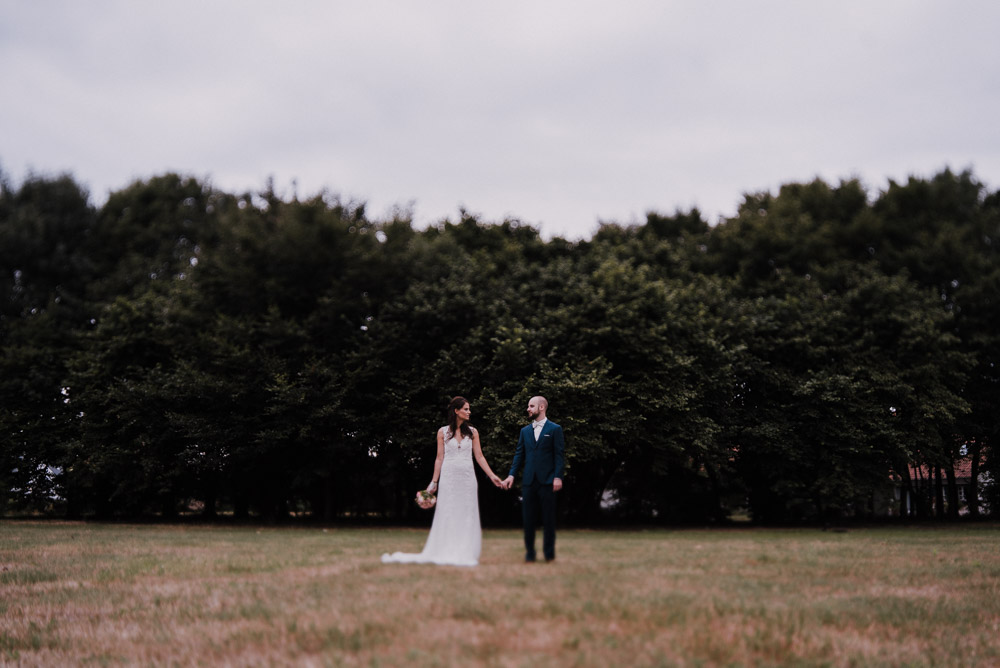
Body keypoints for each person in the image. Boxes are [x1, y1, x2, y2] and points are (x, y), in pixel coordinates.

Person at [382, 396, 503, 566]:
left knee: (467, 513)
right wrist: (434, 481)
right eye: (466, 409)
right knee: (448, 512)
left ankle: (465, 550)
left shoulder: (473, 432)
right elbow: (439, 458)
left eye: (469, 409)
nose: (469, 412)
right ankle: (447, 548)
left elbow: (479, 456)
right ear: (456, 411)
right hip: (449, 477)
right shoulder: (442, 432)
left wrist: (492, 476)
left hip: (468, 478)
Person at [500, 396, 565, 562]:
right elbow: (519, 455)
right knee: (528, 520)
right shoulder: (524, 431)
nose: (528, 409)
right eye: (528, 406)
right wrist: (511, 475)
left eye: (531, 406)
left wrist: (557, 477)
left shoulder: (555, 429)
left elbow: (559, 455)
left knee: (549, 520)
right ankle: (530, 554)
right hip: (529, 481)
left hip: (548, 481)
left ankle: (549, 555)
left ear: (541, 407)